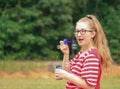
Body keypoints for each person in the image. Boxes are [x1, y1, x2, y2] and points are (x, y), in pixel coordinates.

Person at [55, 15, 113, 89]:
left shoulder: (92, 55)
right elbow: (67, 71)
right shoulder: (81, 53)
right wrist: (66, 54)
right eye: (77, 31)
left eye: (83, 31)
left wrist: (66, 75)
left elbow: (90, 86)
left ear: (93, 34)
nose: (79, 34)